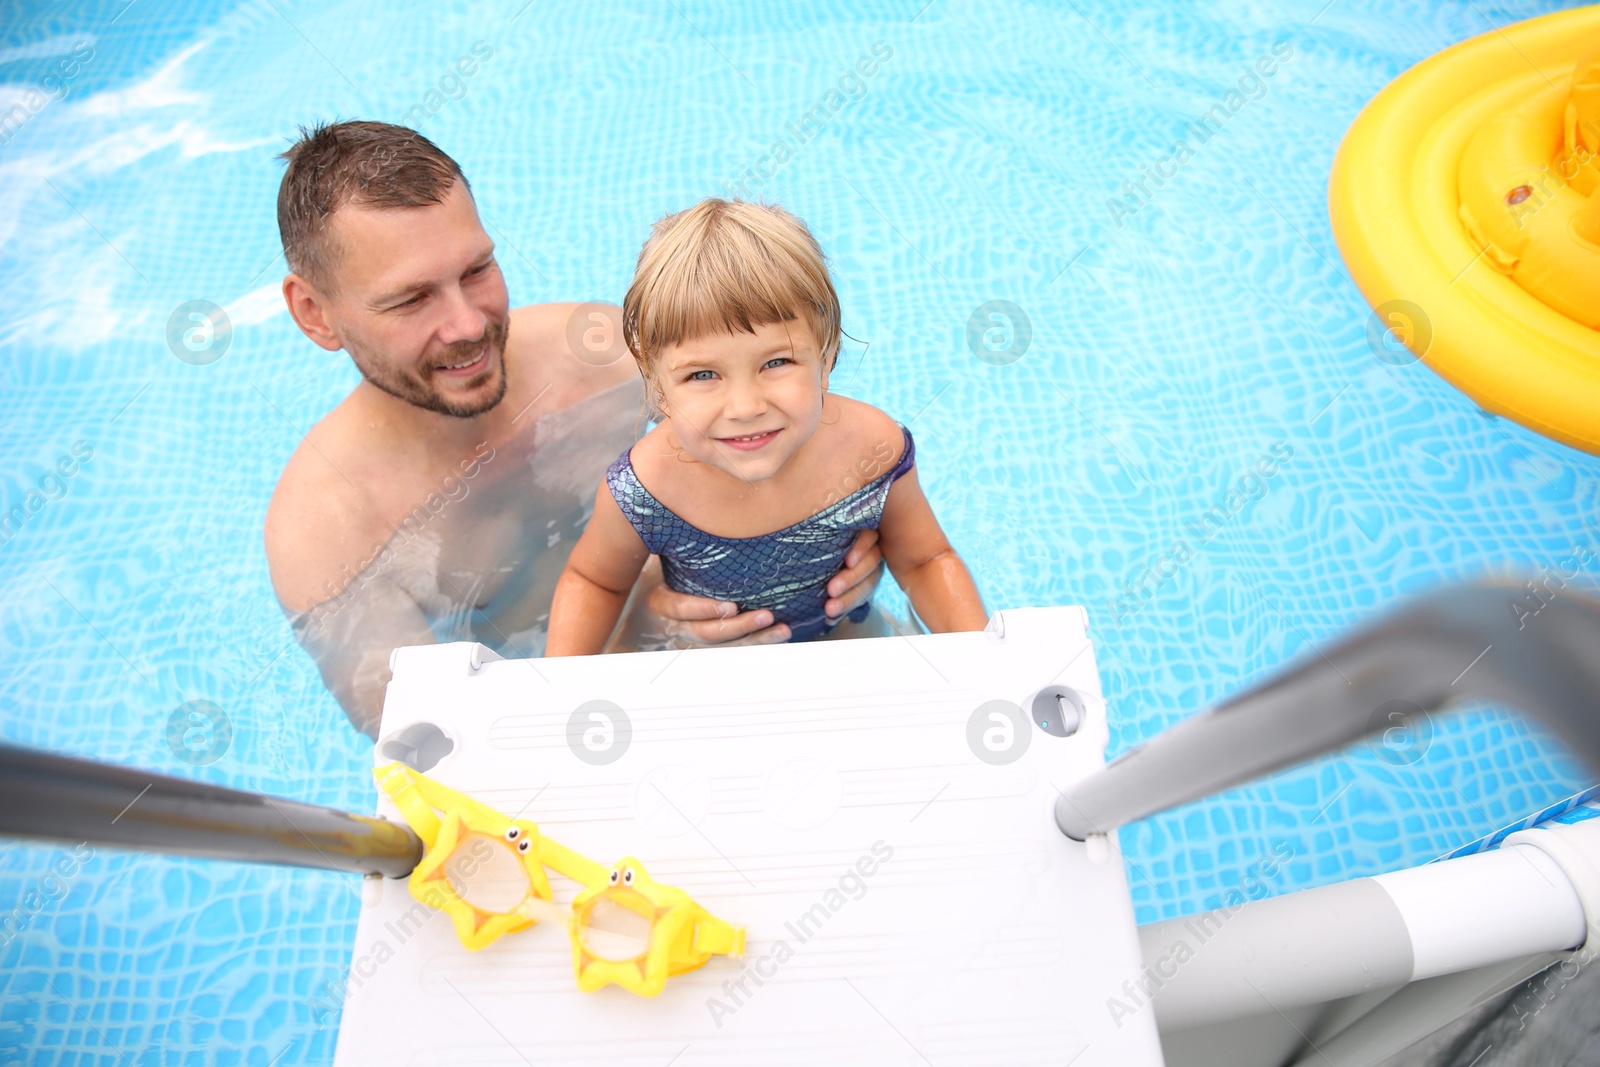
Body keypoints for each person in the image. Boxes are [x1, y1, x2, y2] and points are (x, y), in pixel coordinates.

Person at [262, 123, 886, 737]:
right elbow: (440, 753)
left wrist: (847, 536)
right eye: (410, 300)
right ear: (314, 314)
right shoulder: (328, 536)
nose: (467, 324)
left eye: (477, 270)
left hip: (770, 626)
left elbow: (786, 424)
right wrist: (638, 637)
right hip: (585, 729)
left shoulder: (600, 357)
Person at [546, 199, 987, 656]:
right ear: (658, 386)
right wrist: (558, 691)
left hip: (841, 639)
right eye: (702, 375)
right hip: (703, 659)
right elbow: (595, 582)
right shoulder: (647, 490)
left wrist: (987, 659)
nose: (745, 406)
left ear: (826, 356)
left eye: (776, 362)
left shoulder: (869, 450)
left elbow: (926, 560)